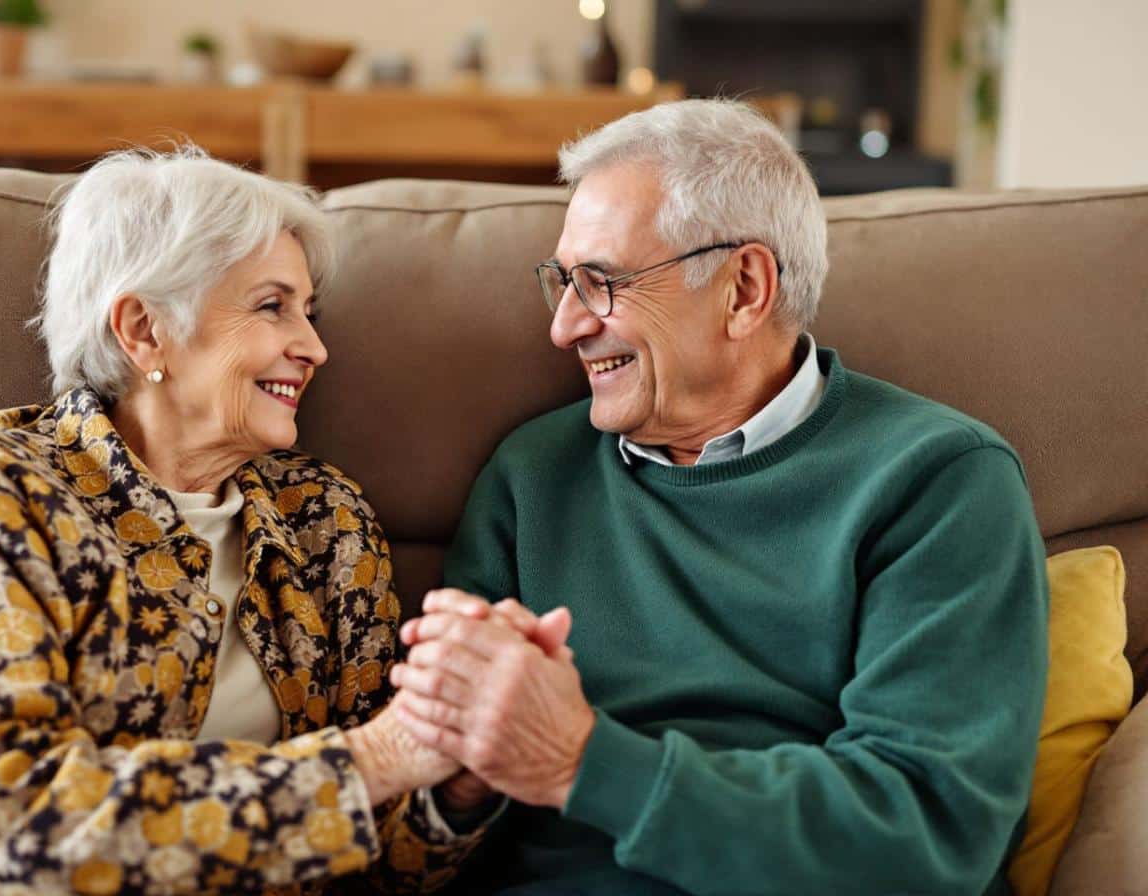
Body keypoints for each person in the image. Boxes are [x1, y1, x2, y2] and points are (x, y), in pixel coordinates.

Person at [390, 99, 1049, 895]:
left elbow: (925, 835)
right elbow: (427, 816)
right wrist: (462, 765)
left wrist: (582, 762)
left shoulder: (939, 481)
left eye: (602, 283)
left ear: (743, 288)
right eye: (562, 283)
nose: (564, 327)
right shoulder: (535, 475)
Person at [0, 147, 498, 894]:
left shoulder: (327, 524)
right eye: (272, 306)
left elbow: (375, 858)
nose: (315, 347)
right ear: (143, 330)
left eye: (310, 311)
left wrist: (456, 781)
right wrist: (371, 761)